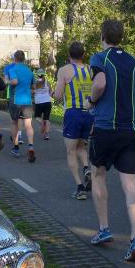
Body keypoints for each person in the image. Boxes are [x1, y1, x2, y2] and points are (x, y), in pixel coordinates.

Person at [88, 19, 135, 262]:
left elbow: (99, 84)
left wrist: (92, 100)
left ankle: (104, 229)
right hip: (131, 130)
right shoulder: (134, 61)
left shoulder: (100, 58)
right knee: (130, 185)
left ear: (102, 36)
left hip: (106, 128)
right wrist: (128, 91)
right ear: (122, 37)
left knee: (98, 175)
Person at [53, 42, 94, 200]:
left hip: (73, 113)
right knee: (81, 145)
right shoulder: (91, 69)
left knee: (71, 151)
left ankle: (80, 187)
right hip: (89, 113)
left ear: (69, 55)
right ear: (83, 55)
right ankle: (86, 168)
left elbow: (58, 96)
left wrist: (50, 92)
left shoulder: (64, 70)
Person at [7, 51, 37, 162]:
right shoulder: (29, 71)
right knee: (28, 125)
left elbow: (14, 81)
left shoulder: (13, 69)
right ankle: (31, 147)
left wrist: (7, 81)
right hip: (27, 101)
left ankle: (16, 148)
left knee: (14, 123)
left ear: (15, 59)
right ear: (24, 59)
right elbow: (34, 87)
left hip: (16, 100)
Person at [33, 69, 53, 140]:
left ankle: (42, 123)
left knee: (37, 117)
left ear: (37, 75)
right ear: (44, 74)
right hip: (47, 102)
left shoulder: (35, 83)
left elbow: (32, 92)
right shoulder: (47, 82)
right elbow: (51, 92)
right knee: (47, 119)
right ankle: (46, 134)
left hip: (38, 102)